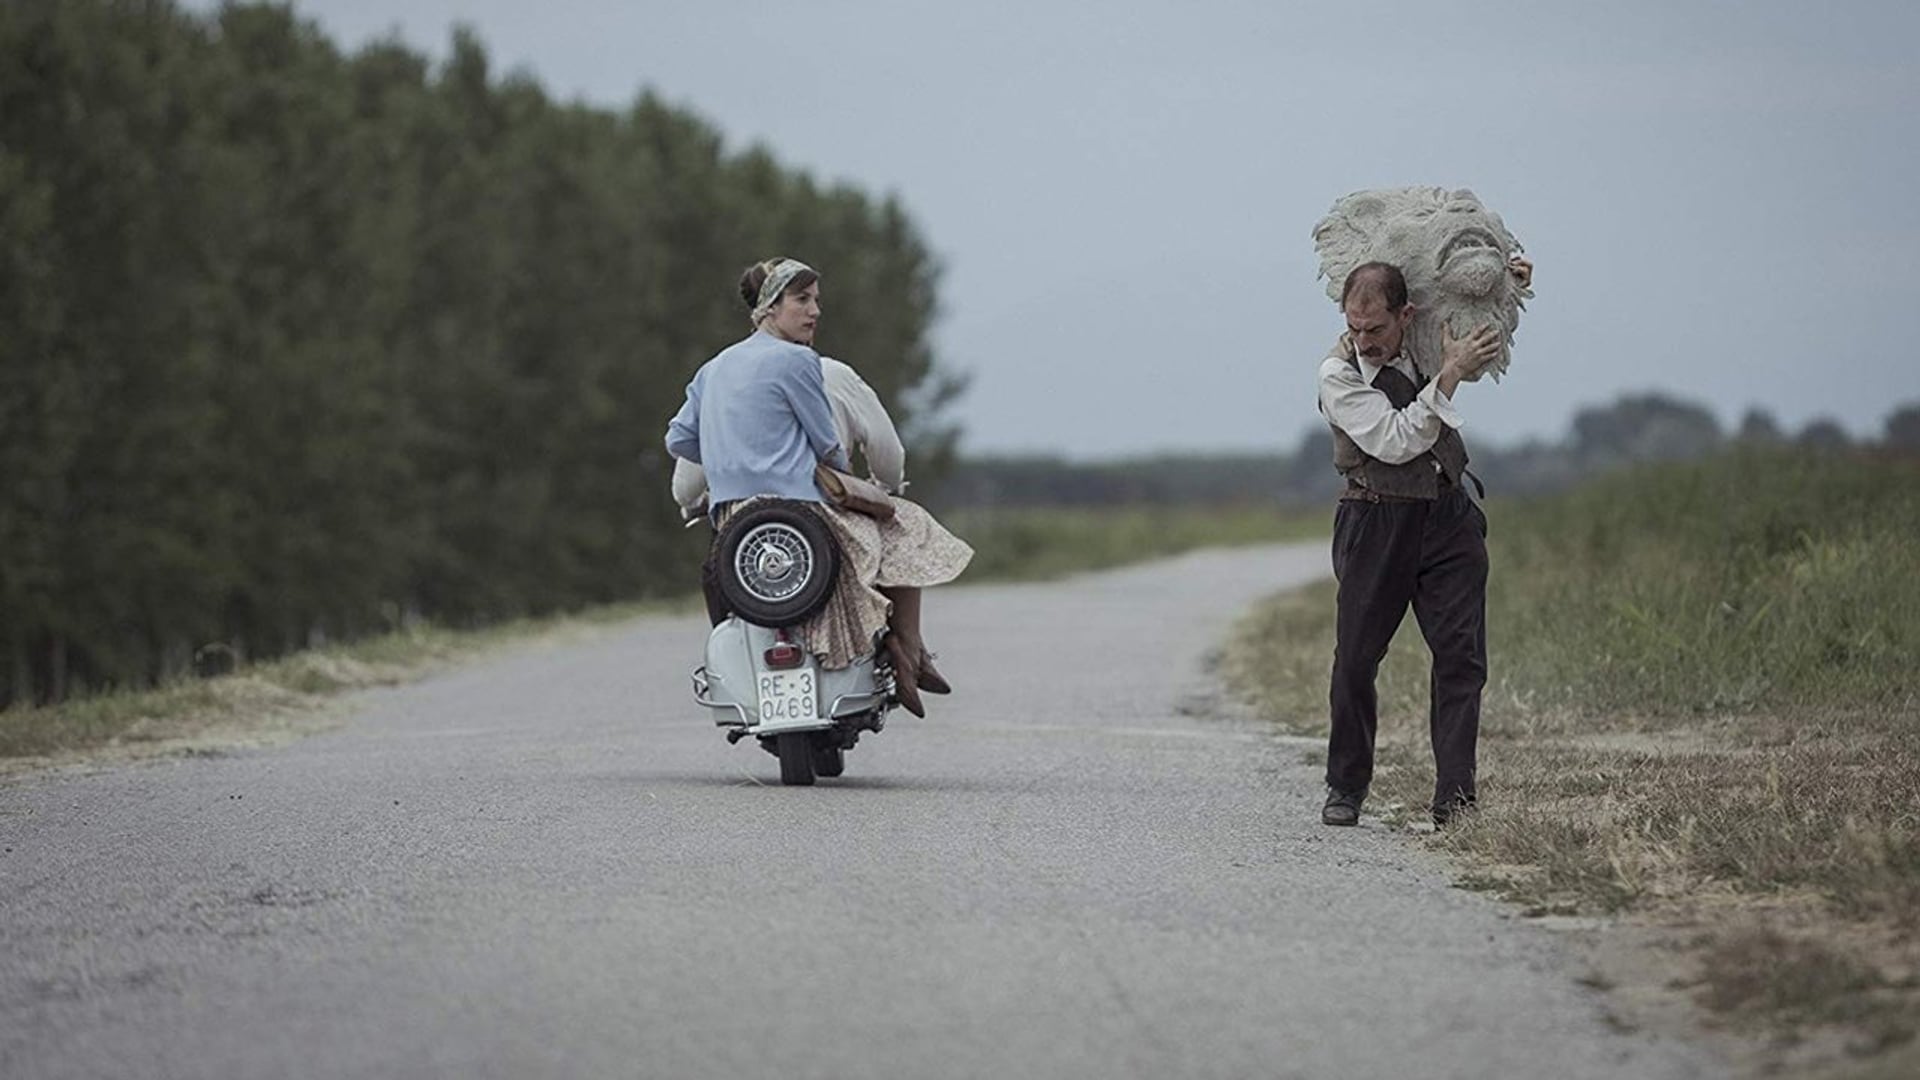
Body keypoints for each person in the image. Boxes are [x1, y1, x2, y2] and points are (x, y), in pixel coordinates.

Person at [664, 257, 971, 717]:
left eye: (816, 301)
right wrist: (844, 480)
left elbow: (677, 440)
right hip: (801, 513)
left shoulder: (713, 368)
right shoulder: (797, 360)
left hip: (735, 524)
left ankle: (897, 649)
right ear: (770, 306)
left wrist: (733, 456)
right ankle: (908, 648)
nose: (814, 312)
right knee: (905, 524)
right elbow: (828, 446)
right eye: (802, 300)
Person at [1315, 257, 1531, 828]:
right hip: (1374, 521)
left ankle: (1455, 801)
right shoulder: (1338, 374)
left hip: (1447, 518)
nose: (1364, 342)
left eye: (1377, 330)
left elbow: (1482, 325)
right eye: (1354, 328)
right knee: (1356, 661)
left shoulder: (1428, 338)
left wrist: (1504, 282)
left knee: (1461, 660)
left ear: (1406, 315)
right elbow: (1395, 439)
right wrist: (1450, 376)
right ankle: (1346, 786)